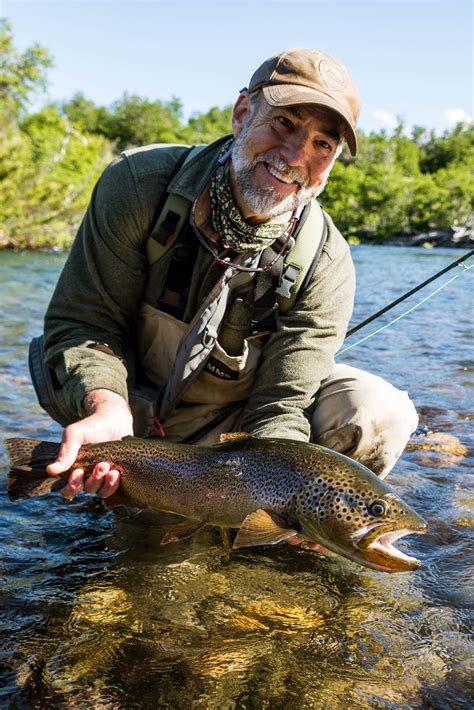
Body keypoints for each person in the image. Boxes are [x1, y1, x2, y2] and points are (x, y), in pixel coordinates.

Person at [36, 48, 418, 510]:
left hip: (237, 432)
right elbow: (84, 322)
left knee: (382, 410)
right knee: (138, 543)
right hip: (131, 408)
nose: (296, 155)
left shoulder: (326, 260)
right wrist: (106, 405)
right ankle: (124, 477)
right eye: (285, 123)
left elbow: (281, 406)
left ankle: (295, 526)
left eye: (323, 144)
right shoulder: (139, 186)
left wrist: (291, 503)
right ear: (241, 114)